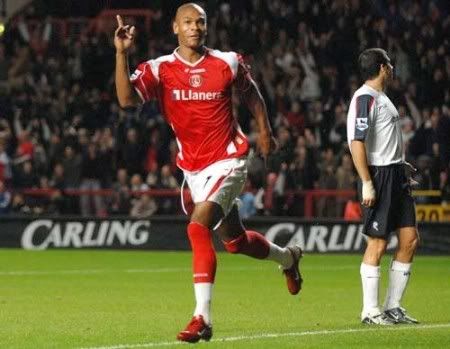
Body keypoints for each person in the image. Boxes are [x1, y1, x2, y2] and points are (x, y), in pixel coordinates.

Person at [114, 3, 303, 343]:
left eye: (200, 22)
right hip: (195, 167)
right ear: (175, 27)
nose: (195, 27)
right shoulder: (160, 69)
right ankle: (289, 258)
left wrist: (264, 131)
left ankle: (203, 317)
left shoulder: (227, 62)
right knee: (235, 241)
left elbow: (251, 93)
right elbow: (128, 101)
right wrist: (121, 55)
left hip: (230, 158)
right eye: (188, 22)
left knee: (198, 226)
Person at [347, 48, 420, 325]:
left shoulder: (381, 98)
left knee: (410, 240)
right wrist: (367, 182)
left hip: (395, 173)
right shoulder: (365, 98)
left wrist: (400, 163)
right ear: (382, 67)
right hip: (378, 176)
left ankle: (393, 306)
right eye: (389, 63)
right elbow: (357, 142)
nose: (392, 67)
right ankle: (370, 310)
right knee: (378, 242)